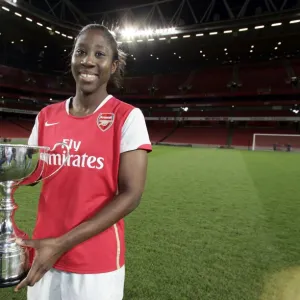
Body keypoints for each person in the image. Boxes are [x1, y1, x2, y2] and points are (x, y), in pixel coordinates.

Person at [14, 24, 152, 300]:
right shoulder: (46, 116)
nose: (88, 60)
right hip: (43, 254)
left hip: (95, 264)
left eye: (99, 54)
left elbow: (131, 195)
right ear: (72, 60)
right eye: (81, 52)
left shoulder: (127, 116)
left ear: (113, 66)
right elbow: (29, 172)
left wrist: (61, 244)